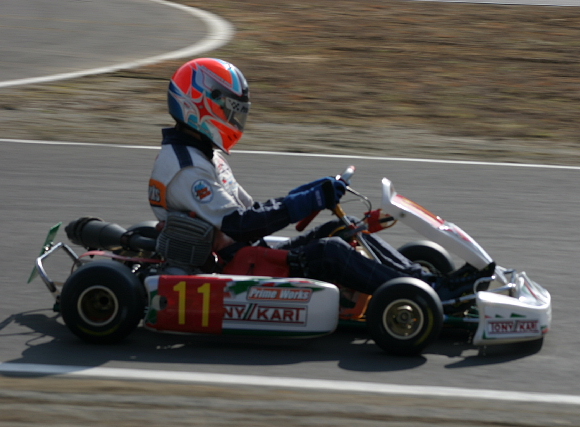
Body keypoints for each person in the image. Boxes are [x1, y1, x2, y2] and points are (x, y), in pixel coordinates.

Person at [148, 58, 494, 305]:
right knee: (330, 252)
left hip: (250, 251)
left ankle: (424, 282)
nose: (234, 118)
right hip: (235, 267)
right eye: (228, 109)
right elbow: (240, 225)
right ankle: (426, 296)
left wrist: (315, 191)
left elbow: (254, 212)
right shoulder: (185, 169)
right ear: (199, 103)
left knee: (343, 229)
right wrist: (308, 200)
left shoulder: (204, 153)